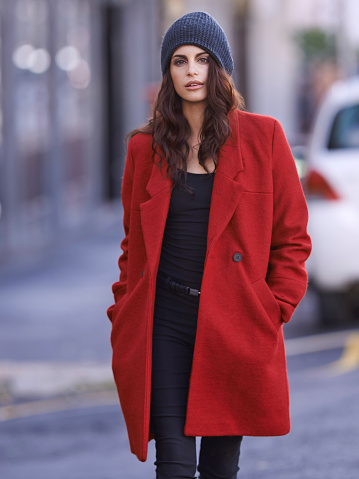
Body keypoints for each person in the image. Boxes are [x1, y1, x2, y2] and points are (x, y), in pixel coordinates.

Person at [107, 11, 312, 479]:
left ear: (220, 68)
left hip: (234, 320)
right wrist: (123, 308)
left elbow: (293, 236)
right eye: (179, 61)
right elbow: (131, 245)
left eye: (203, 59)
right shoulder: (145, 148)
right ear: (168, 73)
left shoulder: (264, 137)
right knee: (174, 467)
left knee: (220, 469)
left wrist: (273, 304)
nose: (192, 71)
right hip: (164, 322)